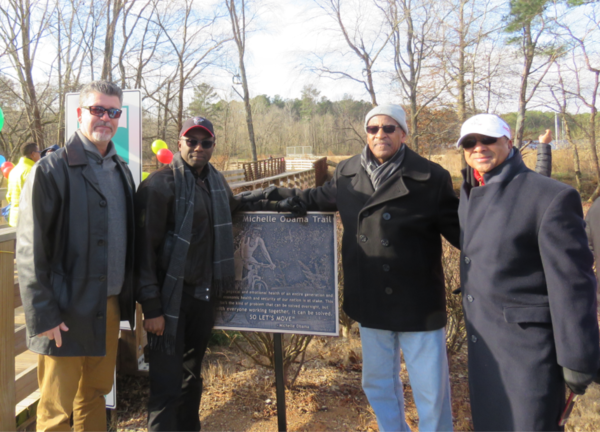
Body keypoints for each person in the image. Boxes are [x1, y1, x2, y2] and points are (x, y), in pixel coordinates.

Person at [241, 104, 460, 432]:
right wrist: (265, 197)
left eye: (388, 128)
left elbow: (462, 233)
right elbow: (312, 197)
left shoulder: (431, 177)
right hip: (371, 299)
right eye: (373, 129)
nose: (380, 135)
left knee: (431, 392)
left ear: (403, 132)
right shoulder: (347, 174)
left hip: (418, 303)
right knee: (378, 384)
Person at [457, 114, 600, 432]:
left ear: (508, 142)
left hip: (527, 353)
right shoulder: (470, 192)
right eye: (469, 142)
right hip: (486, 347)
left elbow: (573, 284)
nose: (478, 147)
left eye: (488, 139)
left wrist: (577, 357)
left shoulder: (550, 196)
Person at [16, 80, 136, 432]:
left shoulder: (121, 171)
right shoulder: (50, 171)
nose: (106, 118)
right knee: (55, 410)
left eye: (113, 112)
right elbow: (29, 250)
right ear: (80, 113)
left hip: (108, 305)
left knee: (95, 393)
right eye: (98, 109)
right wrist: (44, 314)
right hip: (63, 313)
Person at [135, 116, 268, 431]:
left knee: (192, 381)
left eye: (205, 142)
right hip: (170, 303)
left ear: (213, 146)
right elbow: (143, 253)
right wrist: (151, 307)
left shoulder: (216, 182)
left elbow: (233, 208)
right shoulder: (158, 185)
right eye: (191, 141)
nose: (198, 147)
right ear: (178, 143)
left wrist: (280, 199)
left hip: (203, 298)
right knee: (165, 388)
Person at [6, 142, 40, 227]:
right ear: (33, 154)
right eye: (39, 152)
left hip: (14, 218)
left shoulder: (14, 170)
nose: (40, 154)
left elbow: (9, 196)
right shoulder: (31, 171)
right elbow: (37, 196)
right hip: (27, 218)